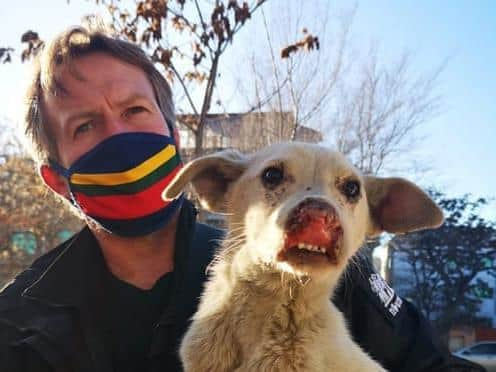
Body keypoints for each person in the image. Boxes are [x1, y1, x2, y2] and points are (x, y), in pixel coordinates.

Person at [0, 26, 484, 372]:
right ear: (57, 179)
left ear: (173, 137)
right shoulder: (15, 329)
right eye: (85, 126)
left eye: (134, 110)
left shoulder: (313, 266)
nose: (119, 135)